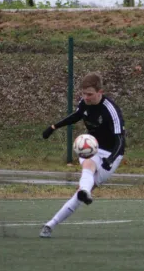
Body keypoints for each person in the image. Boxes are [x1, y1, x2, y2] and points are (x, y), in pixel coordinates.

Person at [39, 72, 126, 238]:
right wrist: (53, 127)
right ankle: (51, 224)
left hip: (112, 152)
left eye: (90, 94)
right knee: (88, 164)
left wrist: (110, 159)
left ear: (100, 92)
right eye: (83, 94)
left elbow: (120, 141)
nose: (86, 98)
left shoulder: (111, 110)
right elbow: (76, 116)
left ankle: (81, 195)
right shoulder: (84, 103)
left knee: (80, 192)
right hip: (92, 147)